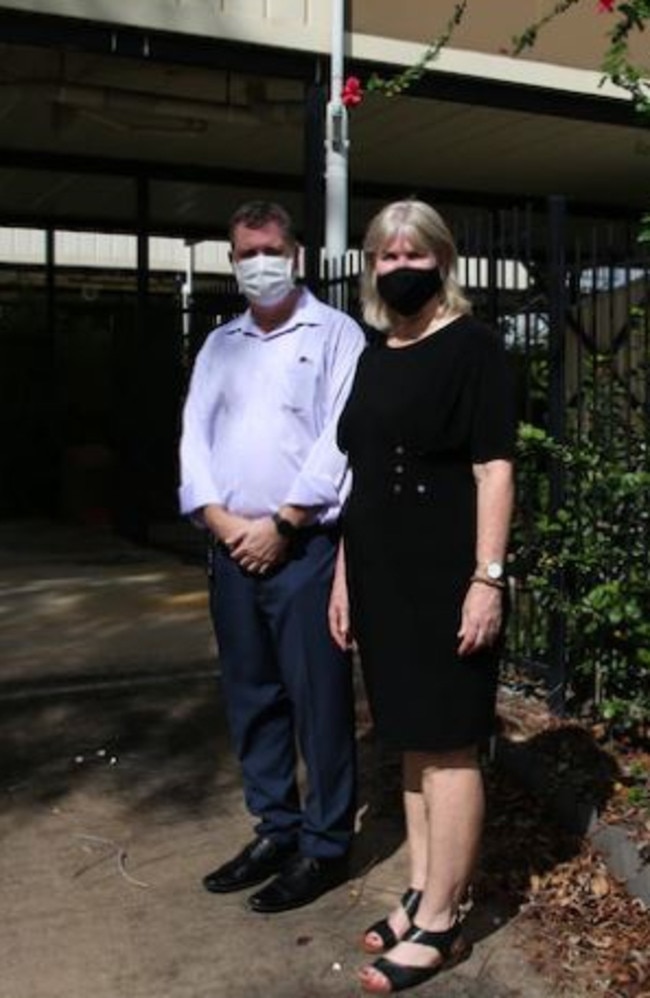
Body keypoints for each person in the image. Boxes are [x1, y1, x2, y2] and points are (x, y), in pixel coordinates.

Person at [328, 199, 516, 993]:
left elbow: (493, 468)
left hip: (446, 572)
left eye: (414, 256)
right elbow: (361, 475)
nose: (399, 269)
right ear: (371, 268)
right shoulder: (374, 355)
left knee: (447, 743)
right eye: (385, 257)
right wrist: (344, 575)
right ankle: (420, 887)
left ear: (443, 261)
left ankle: (443, 918)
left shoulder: (476, 348)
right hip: (379, 572)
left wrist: (487, 579)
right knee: (408, 740)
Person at [179, 200, 366, 913]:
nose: (258, 263)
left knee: (317, 700)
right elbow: (194, 438)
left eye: (270, 250)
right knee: (251, 696)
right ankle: (276, 828)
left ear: (297, 256)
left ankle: (325, 844)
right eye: (245, 253)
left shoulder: (336, 335)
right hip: (232, 550)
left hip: (305, 547)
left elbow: (341, 439)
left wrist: (283, 523)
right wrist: (226, 524)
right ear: (232, 262)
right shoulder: (220, 343)